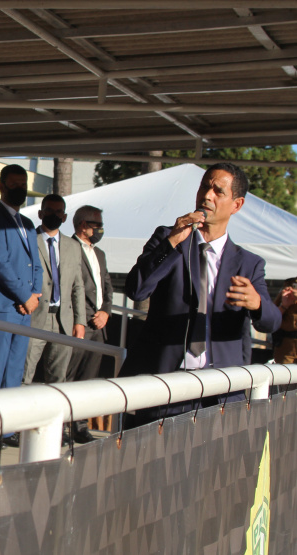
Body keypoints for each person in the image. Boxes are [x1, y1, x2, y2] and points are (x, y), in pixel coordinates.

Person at [119, 163, 281, 425]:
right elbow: (137, 289)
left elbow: (272, 322)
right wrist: (172, 242)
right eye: (205, 186)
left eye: (218, 191)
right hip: (162, 383)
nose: (207, 195)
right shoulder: (169, 238)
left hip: (220, 393)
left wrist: (258, 303)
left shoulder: (248, 264)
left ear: (236, 205)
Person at [0, 164, 41, 449]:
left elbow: (36, 264)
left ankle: (6, 429)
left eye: (23, 184)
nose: (20, 189)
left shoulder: (27, 224)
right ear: (2, 186)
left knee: (14, 370)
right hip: (2, 306)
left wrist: (35, 293)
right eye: (14, 184)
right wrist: (24, 295)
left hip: (24, 308)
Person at [23, 194, 85, 385]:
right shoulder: (28, 239)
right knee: (23, 376)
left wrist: (80, 321)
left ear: (64, 217)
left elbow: (78, 286)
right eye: (49, 210)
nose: (54, 214)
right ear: (40, 213)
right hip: (34, 317)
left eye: (59, 211)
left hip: (63, 322)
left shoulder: (74, 247)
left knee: (58, 381)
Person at [65, 205, 114, 443]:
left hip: (98, 327)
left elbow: (107, 287)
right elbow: (70, 288)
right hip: (78, 325)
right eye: (96, 224)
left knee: (88, 380)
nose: (100, 229)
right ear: (83, 225)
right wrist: (80, 319)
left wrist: (105, 312)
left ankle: (80, 426)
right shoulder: (69, 248)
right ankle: (62, 427)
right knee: (68, 377)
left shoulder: (100, 254)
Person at [273, 278, 296, 364]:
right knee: (284, 375)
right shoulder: (289, 285)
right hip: (286, 345)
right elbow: (273, 317)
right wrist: (284, 305)